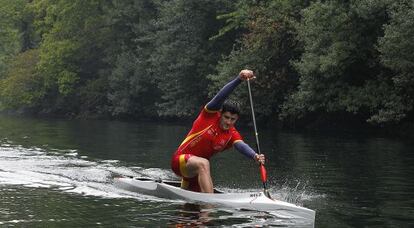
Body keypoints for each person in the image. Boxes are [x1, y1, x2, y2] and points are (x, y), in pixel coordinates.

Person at [171, 69, 266, 193]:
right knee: (204, 164)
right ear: (220, 114)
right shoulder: (208, 117)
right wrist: (239, 80)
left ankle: (197, 204)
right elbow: (220, 97)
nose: (229, 122)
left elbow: (241, 146)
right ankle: (210, 204)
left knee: (192, 210)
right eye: (226, 117)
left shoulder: (231, 133)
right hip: (180, 161)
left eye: (233, 119)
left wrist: (255, 156)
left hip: (195, 172)